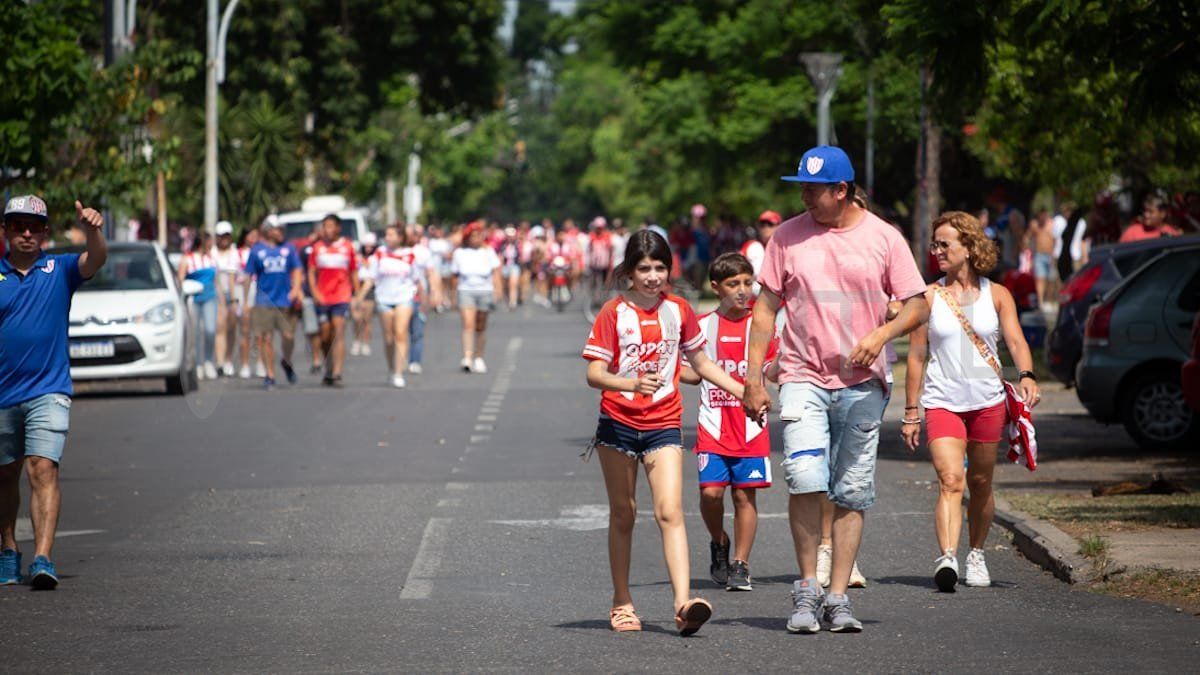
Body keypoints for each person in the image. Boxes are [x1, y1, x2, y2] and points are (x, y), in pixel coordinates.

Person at [742, 146, 929, 634]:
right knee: (805, 478)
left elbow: (917, 304)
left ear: (841, 190)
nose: (804, 196)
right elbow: (764, 310)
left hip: (863, 385)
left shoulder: (884, 237)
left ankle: (839, 596)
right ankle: (806, 589)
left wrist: (881, 335)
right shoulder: (786, 237)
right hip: (802, 376)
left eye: (812, 188)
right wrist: (752, 378)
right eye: (801, 186)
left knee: (851, 491)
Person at [583, 230, 745, 635]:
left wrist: (746, 392)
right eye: (644, 269)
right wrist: (631, 384)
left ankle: (683, 603)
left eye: (660, 268)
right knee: (624, 514)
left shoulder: (679, 310)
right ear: (629, 272)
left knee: (670, 511)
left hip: (664, 423)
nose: (653, 277)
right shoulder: (613, 313)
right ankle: (622, 603)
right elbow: (594, 374)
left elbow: (702, 364)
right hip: (617, 425)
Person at [902, 211, 1041, 591]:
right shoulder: (928, 298)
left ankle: (976, 553)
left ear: (969, 247)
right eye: (934, 245)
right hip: (943, 400)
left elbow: (1015, 341)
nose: (937, 252)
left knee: (980, 482)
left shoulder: (998, 295)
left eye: (944, 244)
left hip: (987, 401)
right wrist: (911, 411)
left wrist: (1026, 375)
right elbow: (916, 356)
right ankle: (947, 557)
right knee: (950, 479)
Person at [1, 196, 107, 589]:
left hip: (49, 388)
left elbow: (94, 260)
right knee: (5, 475)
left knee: (42, 468)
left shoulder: (59, 269)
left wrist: (93, 230)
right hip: (3, 394)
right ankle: (8, 549)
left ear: (45, 232)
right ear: (6, 231)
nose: (26, 233)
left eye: (34, 226)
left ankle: (43, 557)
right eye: (17, 225)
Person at [679, 253, 778, 592]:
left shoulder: (761, 325)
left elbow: (773, 368)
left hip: (751, 424)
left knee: (745, 497)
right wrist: (663, 369)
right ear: (716, 286)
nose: (742, 291)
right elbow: (694, 373)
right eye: (733, 284)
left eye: (748, 283)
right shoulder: (703, 325)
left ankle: (740, 563)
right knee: (710, 493)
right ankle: (719, 541)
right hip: (713, 423)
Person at [360, 225, 439, 388]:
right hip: (384, 298)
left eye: (391, 235)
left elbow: (417, 280)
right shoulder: (380, 254)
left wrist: (425, 299)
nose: (388, 238)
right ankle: (391, 367)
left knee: (401, 333)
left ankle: (398, 372)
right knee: (389, 338)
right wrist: (359, 298)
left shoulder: (409, 255)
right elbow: (370, 278)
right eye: (386, 235)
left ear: (400, 237)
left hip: (404, 297)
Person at [243, 218, 303, 389]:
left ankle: (286, 361)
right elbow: (248, 275)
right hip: (263, 301)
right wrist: (247, 300)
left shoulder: (288, 249)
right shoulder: (257, 251)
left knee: (288, 336)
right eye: (277, 229)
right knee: (265, 338)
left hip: (284, 300)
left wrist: (296, 288)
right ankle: (270, 374)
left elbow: (297, 269)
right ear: (269, 231)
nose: (281, 232)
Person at [307, 214, 360, 387]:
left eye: (331, 226)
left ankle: (337, 372)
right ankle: (328, 367)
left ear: (338, 228)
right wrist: (315, 293)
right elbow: (311, 272)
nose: (327, 230)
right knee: (325, 336)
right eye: (325, 226)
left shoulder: (347, 246)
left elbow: (353, 272)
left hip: (341, 296)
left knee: (338, 331)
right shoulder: (317, 247)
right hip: (323, 297)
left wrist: (356, 295)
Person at [452, 221, 502, 373]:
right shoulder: (459, 253)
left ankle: (479, 357)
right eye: (473, 236)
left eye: (478, 236)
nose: (476, 239)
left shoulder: (488, 251)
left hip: (484, 289)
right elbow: (454, 275)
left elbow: (496, 271)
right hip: (466, 289)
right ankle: (467, 356)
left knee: (480, 325)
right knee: (468, 324)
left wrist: (498, 288)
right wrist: (453, 294)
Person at [178, 233, 223, 380]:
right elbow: (180, 279)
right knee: (195, 331)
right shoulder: (188, 259)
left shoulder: (211, 259)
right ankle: (198, 363)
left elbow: (217, 282)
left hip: (210, 297)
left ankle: (209, 360)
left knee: (210, 330)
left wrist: (222, 302)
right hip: (193, 298)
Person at [211, 220, 242, 376]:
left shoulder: (234, 252)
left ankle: (229, 359)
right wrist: (222, 299)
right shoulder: (212, 252)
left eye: (227, 236)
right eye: (221, 236)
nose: (224, 239)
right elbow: (215, 277)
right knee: (220, 327)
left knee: (231, 328)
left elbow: (232, 277)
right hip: (216, 292)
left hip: (233, 291)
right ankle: (220, 361)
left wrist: (233, 300)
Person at [234, 227, 261, 378]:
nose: (254, 238)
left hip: (259, 291)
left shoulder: (261, 252)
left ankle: (260, 363)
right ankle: (244, 364)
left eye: (257, 235)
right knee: (245, 330)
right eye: (251, 235)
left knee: (260, 331)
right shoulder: (237, 253)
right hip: (242, 291)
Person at [351, 231, 379, 357]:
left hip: (369, 289)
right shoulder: (356, 257)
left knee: (366, 319)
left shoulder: (376, 258)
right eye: (366, 246)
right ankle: (357, 340)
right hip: (356, 287)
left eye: (371, 246)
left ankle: (366, 343)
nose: (368, 249)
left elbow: (371, 278)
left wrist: (361, 295)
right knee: (356, 318)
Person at [740, 210, 782, 294]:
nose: (765, 228)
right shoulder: (751, 246)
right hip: (751, 296)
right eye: (762, 225)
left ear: (779, 226)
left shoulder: (786, 249)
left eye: (770, 224)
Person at [1028, 209, 1056, 306]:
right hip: (1039, 254)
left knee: (1051, 279)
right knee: (1040, 279)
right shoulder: (1035, 225)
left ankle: (1048, 299)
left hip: (1050, 255)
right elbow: (1029, 237)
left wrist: (1054, 255)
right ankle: (1040, 301)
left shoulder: (1051, 224)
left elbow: (1055, 240)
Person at [498, 226, 522, 310]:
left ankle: (513, 301)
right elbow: (500, 256)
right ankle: (507, 298)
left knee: (513, 284)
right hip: (505, 266)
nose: (510, 238)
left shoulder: (518, 244)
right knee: (505, 285)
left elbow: (521, 256)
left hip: (514, 266)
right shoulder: (502, 245)